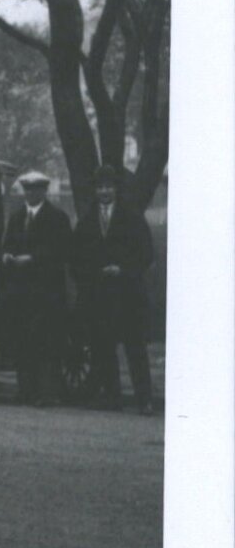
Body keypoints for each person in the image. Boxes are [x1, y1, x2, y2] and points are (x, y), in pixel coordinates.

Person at [72, 165, 156, 415]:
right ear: (95, 191)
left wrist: (122, 269)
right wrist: (90, 277)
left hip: (128, 294)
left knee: (134, 347)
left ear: (116, 189)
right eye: (100, 187)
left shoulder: (132, 217)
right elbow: (76, 257)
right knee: (103, 346)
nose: (104, 192)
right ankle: (112, 397)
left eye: (108, 187)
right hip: (99, 295)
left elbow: (146, 253)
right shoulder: (87, 221)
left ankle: (144, 399)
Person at [0, 169, 73, 406]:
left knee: (46, 341)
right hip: (21, 290)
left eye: (36, 189)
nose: (31, 194)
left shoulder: (57, 218)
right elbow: (7, 244)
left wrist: (32, 258)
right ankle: (25, 390)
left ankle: (47, 392)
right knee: (23, 339)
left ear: (44, 191)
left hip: (46, 291)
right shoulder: (17, 217)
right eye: (27, 189)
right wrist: (7, 255)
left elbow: (62, 250)